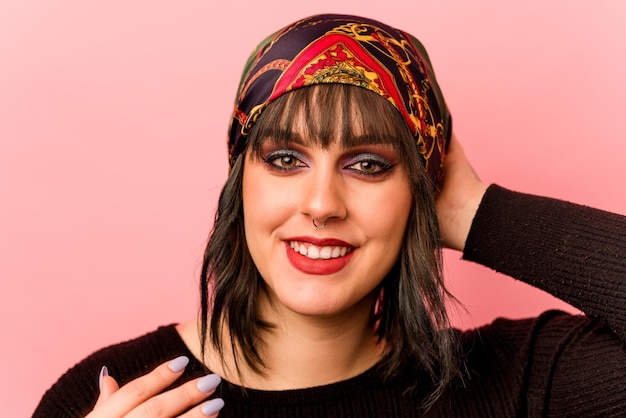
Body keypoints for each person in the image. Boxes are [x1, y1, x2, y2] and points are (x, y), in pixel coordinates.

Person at [33, 13, 625, 417]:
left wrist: (477, 213)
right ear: (242, 183)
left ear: (421, 190)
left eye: (368, 165)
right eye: (286, 159)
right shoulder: (112, 396)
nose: (320, 205)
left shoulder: (519, 384)